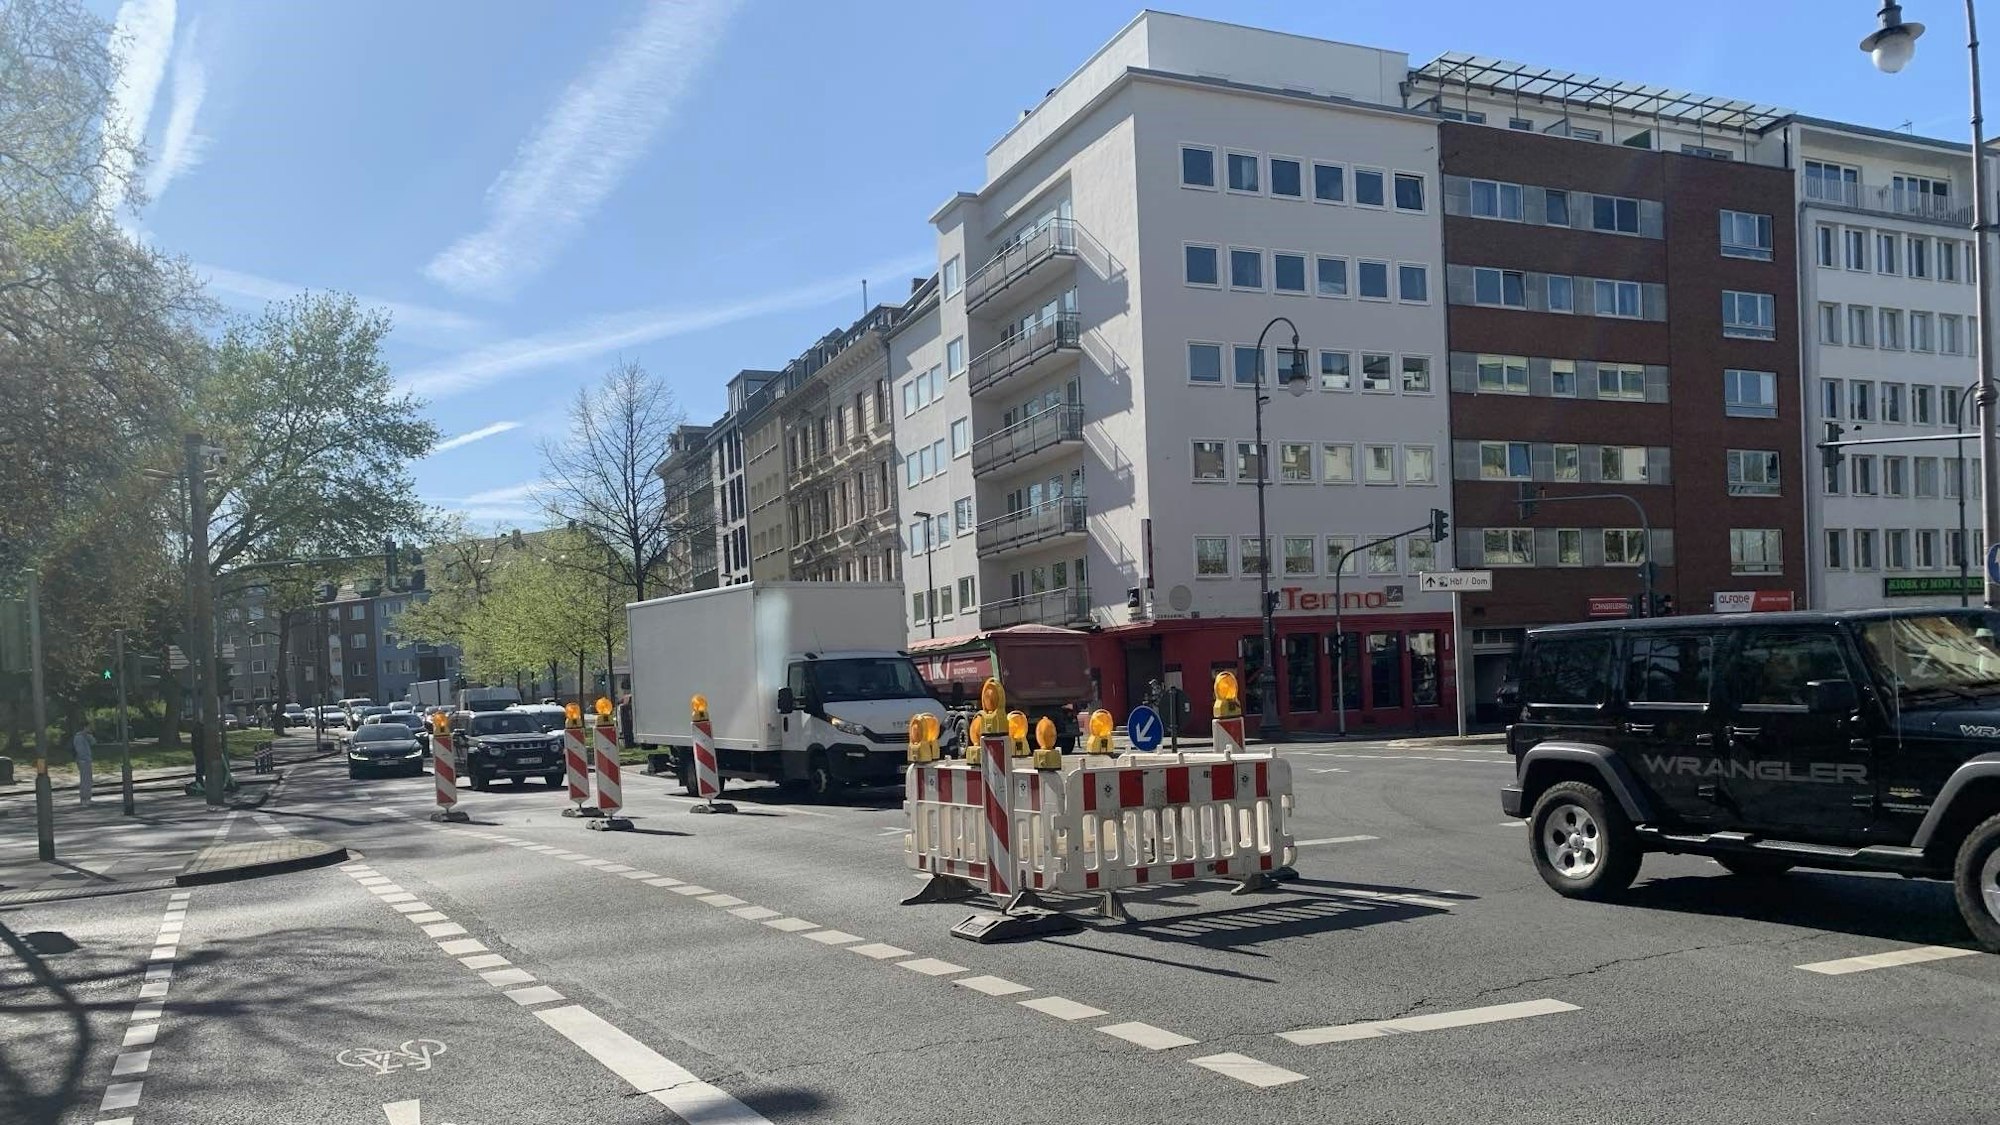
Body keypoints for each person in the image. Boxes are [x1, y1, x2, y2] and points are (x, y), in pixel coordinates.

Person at [72, 724, 95, 806]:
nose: (90, 728)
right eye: (88, 727)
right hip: (83, 760)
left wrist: (89, 736)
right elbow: (80, 750)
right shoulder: (78, 737)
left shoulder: (86, 736)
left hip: (87, 760)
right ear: (84, 727)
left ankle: (88, 797)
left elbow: (93, 742)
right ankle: (84, 798)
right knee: (85, 780)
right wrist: (84, 759)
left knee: (89, 779)